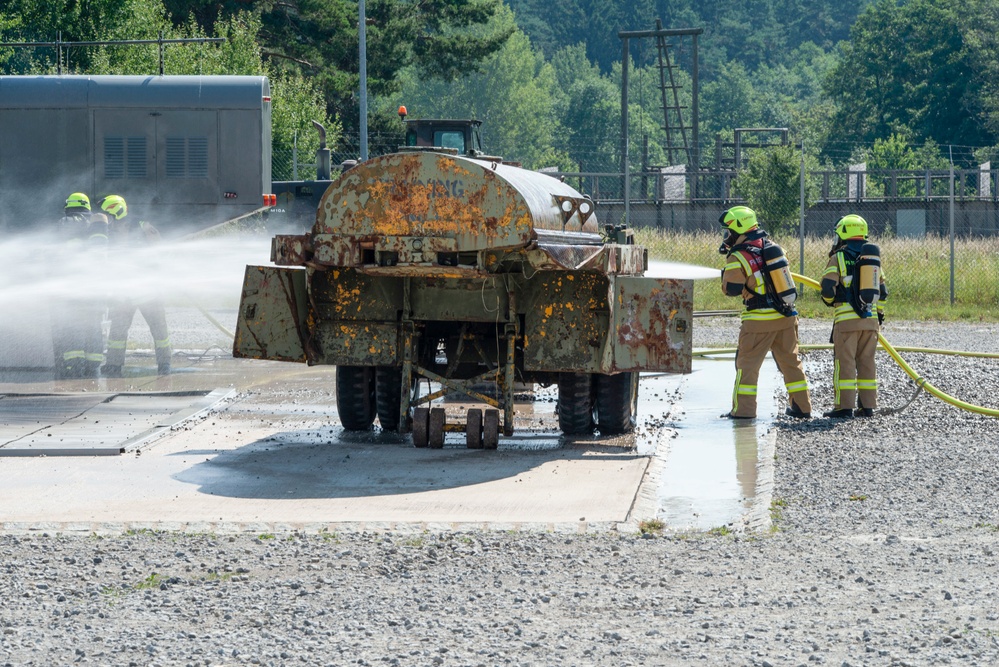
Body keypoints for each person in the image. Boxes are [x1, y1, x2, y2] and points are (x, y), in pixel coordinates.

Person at [718, 205, 812, 420]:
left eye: (728, 231)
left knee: (747, 367)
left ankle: (743, 412)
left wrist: (725, 276)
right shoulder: (773, 248)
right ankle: (802, 407)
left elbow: (731, 290)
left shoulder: (738, 256)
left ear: (738, 230)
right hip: (786, 317)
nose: (726, 236)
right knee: (791, 363)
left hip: (758, 322)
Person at [820, 214, 888, 418]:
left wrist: (830, 301)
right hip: (871, 321)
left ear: (842, 234)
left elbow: (827, 287)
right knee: (867, 362)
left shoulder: (838, 257)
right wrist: (879, 314)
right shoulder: (872, 260)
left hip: (847, 322)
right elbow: (882, 292)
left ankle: (844, 407)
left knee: (846, 363)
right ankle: (868, 407)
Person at [98, 195, 173, 377]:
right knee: (117, 331)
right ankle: (114, 365)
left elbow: (158, 246)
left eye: (107, 214)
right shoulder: (109, 232)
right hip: (124, 292)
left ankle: (164, 364)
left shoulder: (142, 226)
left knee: (159, 330)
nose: (106, 219)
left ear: (115, 212)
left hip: (148, 290)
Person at [50, 193, 109, 379]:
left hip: (71, 288)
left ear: (69, 206)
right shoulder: (96, 223)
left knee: (72, 327)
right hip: (95, 289)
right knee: (93, 327)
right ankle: (93, 368)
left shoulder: (64, 222)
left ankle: (73, 368)